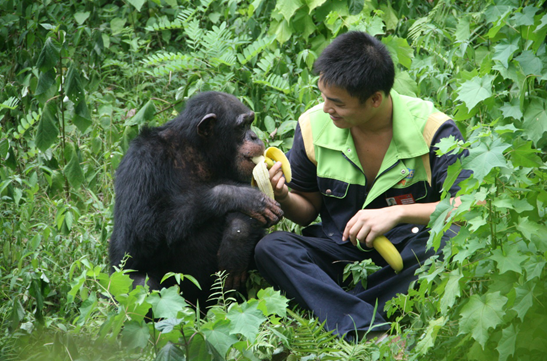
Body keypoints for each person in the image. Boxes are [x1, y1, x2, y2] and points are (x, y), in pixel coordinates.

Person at [254, 31, 470, 341]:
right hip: (341, 247)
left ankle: (341, 309)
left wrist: (398, 214)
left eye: (337, 102)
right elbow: (305, 212)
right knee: (271, 248)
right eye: (323, 96)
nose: (326, 108)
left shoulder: (434, 130)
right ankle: (372, 312)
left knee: (450, 240)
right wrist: (284, 196)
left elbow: (469, 206)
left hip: (407, 248)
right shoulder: (313, 125)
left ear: (375, 99)